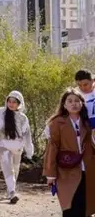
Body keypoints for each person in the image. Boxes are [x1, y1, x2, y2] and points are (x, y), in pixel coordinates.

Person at [44, 89, 95, 217]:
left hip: (87, 169)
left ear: (82, 104)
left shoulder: (86, 123)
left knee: (85, 206)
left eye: (77, 101)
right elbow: (52, 148)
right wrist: (50, 174)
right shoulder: (57, 123)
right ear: (64, 105)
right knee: (70, 205)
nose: (74, 104)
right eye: (70, 101)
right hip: (65, 170)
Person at [0, 91, 34, 204]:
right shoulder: (0, 112)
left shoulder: (23, 118)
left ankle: (10, 190)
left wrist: (29, 152)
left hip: (18, 147)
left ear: (19, 103)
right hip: (3, 144)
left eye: (14, 102)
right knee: (7, 167)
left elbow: (27, 135)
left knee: (15, 169)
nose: (11, 104)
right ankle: (13, 192)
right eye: (9, 101)